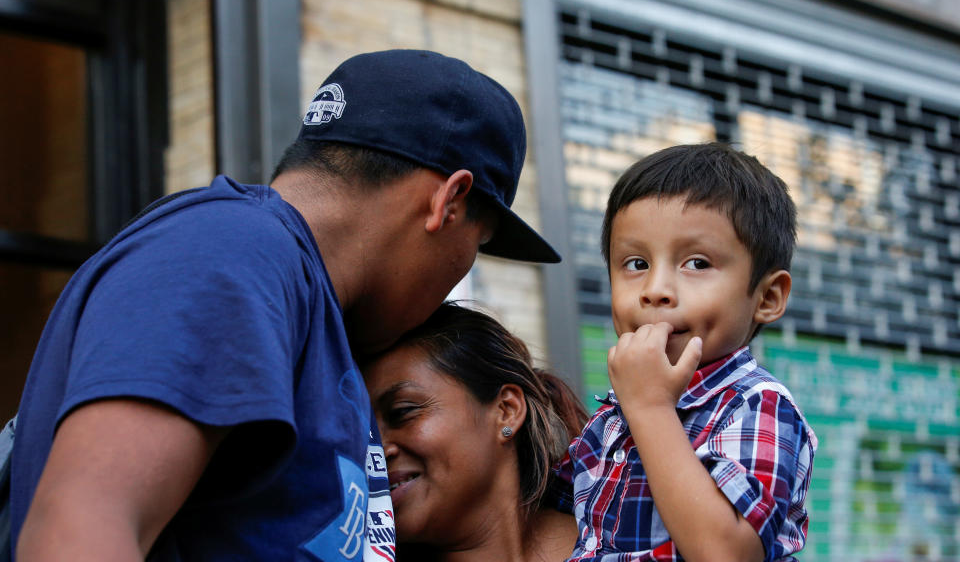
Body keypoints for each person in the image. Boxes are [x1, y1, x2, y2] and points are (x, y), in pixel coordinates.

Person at [10, 49, 560, 561]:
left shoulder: (297, 300)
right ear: (449, 201)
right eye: (478, 245)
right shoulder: (234, 254)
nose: (460, 273)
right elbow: (77, 528)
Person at [552, 143, 818, 562]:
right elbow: (545, 508)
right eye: (636, 263)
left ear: (767, 297)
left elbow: (727, 553)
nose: (655, 290)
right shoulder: (613, 417)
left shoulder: (757, 405)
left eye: (696, 263)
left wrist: (652, 409)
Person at [362, 302, 588, 562]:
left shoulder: (624, 534)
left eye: (402, 411)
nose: (376, 450)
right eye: (363, 431)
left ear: (506, 410)